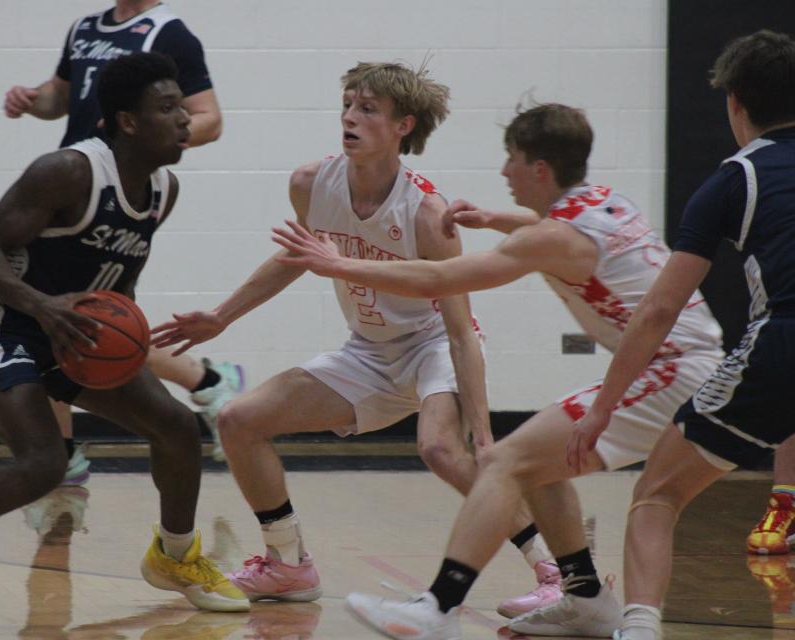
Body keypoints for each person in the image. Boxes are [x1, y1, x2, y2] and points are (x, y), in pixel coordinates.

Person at [272, 101, 725, 638]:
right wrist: (491, 218)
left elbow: (435, 280)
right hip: (696, 364)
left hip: (670, 370)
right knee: (538, 458)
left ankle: (437, 609)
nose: (504, 171)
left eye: (511, 159)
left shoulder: (549, 239)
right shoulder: (605, 202)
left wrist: (337, 264)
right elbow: (548, 227)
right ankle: (584, 595)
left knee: (507, 460)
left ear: (537, 168)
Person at [0, 52, 248, 637]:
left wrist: (121, 334)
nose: (185, 118)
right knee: (44, 464)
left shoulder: (164, 190)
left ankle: (175, 555)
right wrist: (42, 306)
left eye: (182, 106)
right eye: (167, 108)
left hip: (71, 329)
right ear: (128, 121)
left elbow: (118, 278)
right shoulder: (67, 171)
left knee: (177, 428)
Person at [152, 61, 561, 615]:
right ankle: (288, 564)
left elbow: (462, 331)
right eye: (347, 104)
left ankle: (553, 570)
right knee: (238, 420)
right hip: (368, 351)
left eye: (367, 108)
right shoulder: (310, 182)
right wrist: (222, 317)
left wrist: (485, 435)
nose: (349, 117)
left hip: (433, 343)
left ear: (403, 126)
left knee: (442, 449)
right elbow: (297, 257)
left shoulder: (426, 214)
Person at [567, 30, 795, 640]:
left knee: (656, 496)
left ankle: (640, 628)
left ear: (735, 104)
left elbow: (657, 310)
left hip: (782, 348)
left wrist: (602, 409)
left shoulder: (734, 179)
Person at [4, 0, 241, 469]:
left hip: (119, 186)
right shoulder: (85, 26)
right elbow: (62, 96)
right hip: (73, 184)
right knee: (64, 318)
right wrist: (33, 99)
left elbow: (209, 119)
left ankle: (65, 459)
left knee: (83, 320)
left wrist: (152, 137)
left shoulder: (170, 33)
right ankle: (204, 382)